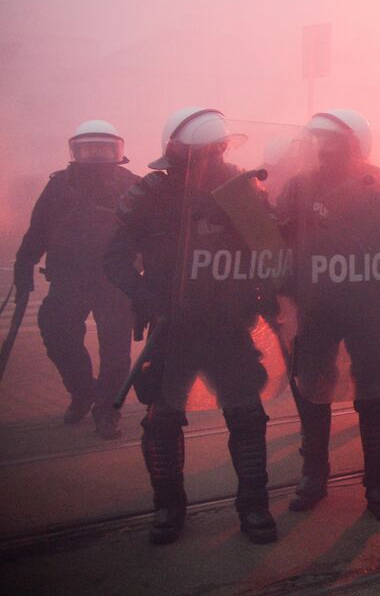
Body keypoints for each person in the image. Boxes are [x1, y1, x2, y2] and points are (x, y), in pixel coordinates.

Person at [104, 107, 282, 545]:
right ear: (179, 153)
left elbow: (273, 253)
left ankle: (254, 506)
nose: (211, 160)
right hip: (174, 327)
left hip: (227, 325)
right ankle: (168, 506)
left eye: (216, 151)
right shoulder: (151, 195)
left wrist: (265, 295)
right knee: (162, 420)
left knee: (246, 416)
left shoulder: (242, 192)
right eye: (203, 153)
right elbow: (114, 257)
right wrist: (146, 298)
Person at [278, 110, 380, 521]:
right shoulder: (299, 187)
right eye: (320, 141)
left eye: (334, 141)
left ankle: (378, 481)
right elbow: (279, 243)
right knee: (313, 388)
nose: (325, 149)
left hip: (367, 309)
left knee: (372, 390)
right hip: (317, 310)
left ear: (355, 145)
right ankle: (314, 474)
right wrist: (286, 288)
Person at [15, 121, 138, 439]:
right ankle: (84, 393)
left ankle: (107, 410)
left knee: (116, 353)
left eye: (103, 148)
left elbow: (152, 235)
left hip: (115, 281)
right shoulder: (58, 186)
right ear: (76, 151)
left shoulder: (134, 186)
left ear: (117, 151)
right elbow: (38, 230)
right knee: (58, 337)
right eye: (90, 148)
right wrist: (23, 262)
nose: (97, 154)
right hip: (69, 278)